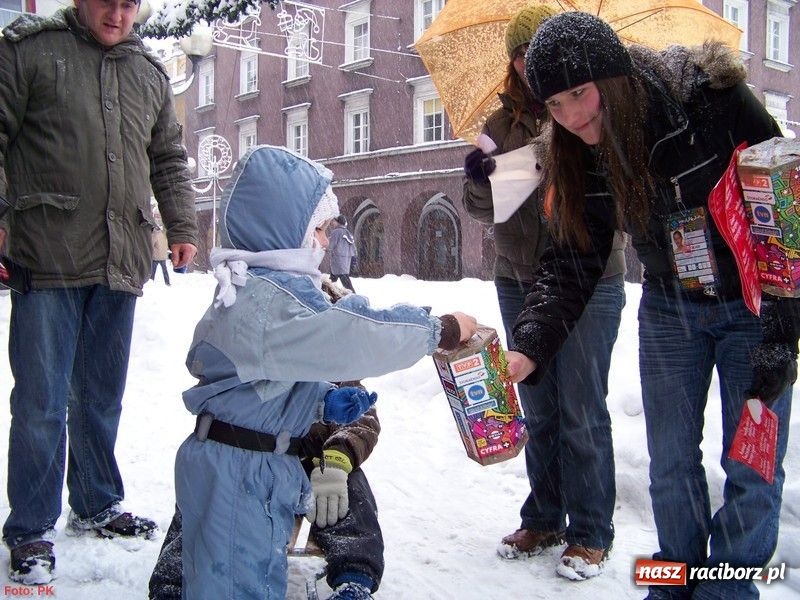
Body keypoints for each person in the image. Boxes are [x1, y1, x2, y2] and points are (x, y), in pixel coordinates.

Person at [508, 12, 796, 600]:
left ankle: (726, 592)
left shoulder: (709, 102)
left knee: (751, 464)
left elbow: (786, 205)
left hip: (751, 302)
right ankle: (672, 585)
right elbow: (575, 255)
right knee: (669, 464)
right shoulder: (579, 148)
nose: (572, 116)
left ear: (612, 79)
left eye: (580, 94)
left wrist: (784, 324)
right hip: (669, 310)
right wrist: (530, 345)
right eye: (555, 104)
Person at [177, 144, 476, 599]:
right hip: (240, 469)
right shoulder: (271, 303)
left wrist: (319, 402)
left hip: (252, 460)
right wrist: (438, 330)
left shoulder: (259, 294)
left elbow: (257, 391)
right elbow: (353, 335)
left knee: (246, 576)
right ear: (284, 230)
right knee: (234, 584)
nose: (323, 242)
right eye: (317, 229)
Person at [0, 0, 199, 585]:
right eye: (107, 0)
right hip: (47, 250)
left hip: (122, 254)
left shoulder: (148, 73)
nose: (117, 13)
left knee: (100, 396)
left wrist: (183, 227)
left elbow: (167, 158)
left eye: (129, 3)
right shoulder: (28, 51)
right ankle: (32, 526)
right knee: (41, 401)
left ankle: (95, 502)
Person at [462, 4, 626, 580]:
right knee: (537, 403)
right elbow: (477, 206)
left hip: (590, 280)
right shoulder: (500, 123)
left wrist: (560, 163)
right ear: (512, 62)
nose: (533, 66)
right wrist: (489, 176)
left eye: (540, 54)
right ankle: (546, 516)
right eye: (522, 56)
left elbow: (620, 199)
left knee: (582, 406)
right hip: (518, 276)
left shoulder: (591, 110)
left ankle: (590, 531)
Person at [150, 406, 384, 600]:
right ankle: (174, 583)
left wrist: (337, 458)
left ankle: (355, 582)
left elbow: (362, 418)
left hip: (312, 471)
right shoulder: (254, 362)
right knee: (209, 489)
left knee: (350, 484)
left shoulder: (336, 366)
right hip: (251, 466)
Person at [328, 214, 357, 292]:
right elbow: (354, 248)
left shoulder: (336, 232)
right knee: (333, 279)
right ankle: (327, 293)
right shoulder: (348, 233)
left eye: (333, 221)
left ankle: (353, 295)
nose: (332, 223)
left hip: (338, 260)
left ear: (338, 222)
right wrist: (353, 259)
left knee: (344, 280)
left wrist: (324, 248)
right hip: (346, 260)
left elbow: (330, 245)